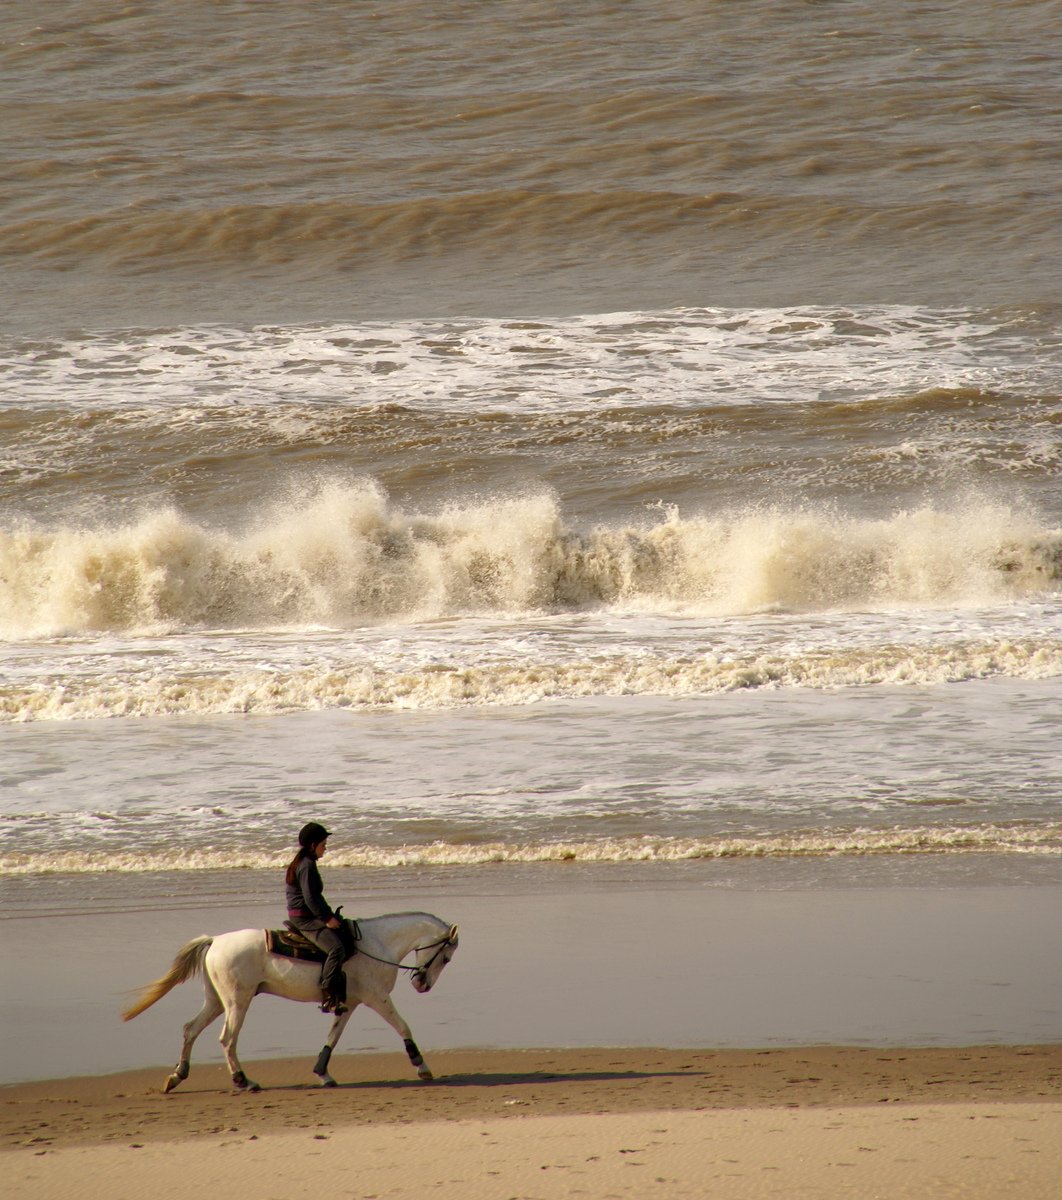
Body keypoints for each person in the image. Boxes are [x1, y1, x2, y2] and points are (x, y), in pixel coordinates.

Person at [285, 822, 349, 1014]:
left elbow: (316, 898)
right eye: (323, 843)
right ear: (313, 845)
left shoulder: (306, 862)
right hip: (304, 919)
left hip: (307, 914)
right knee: (337, 949)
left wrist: (330, 915)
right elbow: (311, 898)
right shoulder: (306, 866)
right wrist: (327, 918)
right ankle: (328, 993)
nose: (326, 847)